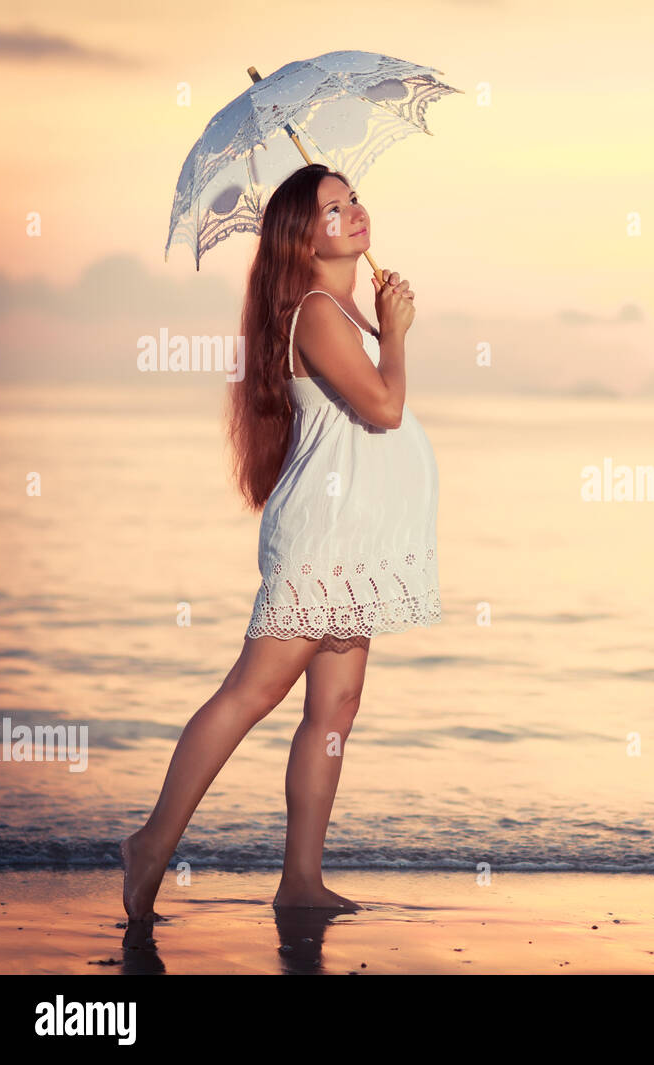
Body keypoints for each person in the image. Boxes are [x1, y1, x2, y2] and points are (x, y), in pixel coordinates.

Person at [121, 163, 441, 920]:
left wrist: (380, 320)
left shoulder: (340, 309)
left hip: (351, 543)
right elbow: (386, 408)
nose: (355, 211)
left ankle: (300, 878)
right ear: (303, 238)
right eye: (334, 208)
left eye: (355, 197)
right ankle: (150, 843)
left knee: (335, 707)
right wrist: (397, 333)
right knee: (253, 690)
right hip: (324, 543)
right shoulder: (319, 313)